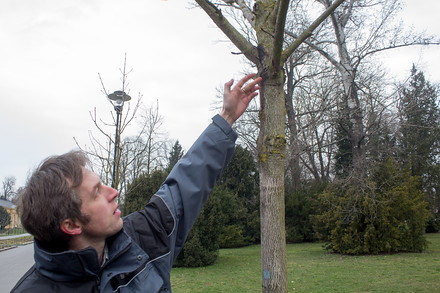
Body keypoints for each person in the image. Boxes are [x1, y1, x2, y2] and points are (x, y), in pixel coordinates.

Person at [11, 73, 262, 293]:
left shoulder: (142, 238)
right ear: (71, 224)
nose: (114, 192)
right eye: (97, 193)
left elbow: (185, 185)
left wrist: (227, 117)